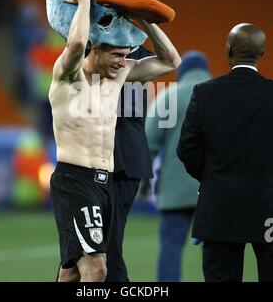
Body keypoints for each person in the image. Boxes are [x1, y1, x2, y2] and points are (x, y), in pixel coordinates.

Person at [49, 0, 181, 282]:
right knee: (97, 269)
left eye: (126, 55)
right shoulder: (67, 77)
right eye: (117, 54)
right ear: (96, 48)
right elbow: (77, 40)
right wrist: (84, 1)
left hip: (105, 182)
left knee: (71, 270)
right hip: (75, 181)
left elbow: (171, 61)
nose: (124, 62)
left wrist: (143, 16)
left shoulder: (119, 75)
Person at [177, 23, 273, 282]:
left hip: (220, 209)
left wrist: (211, 177)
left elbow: (187, 148)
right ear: (262, 53)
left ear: (228, 50)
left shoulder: (205, 93)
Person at [144, 51, 211, 281]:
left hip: (174, 191)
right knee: (218, 253)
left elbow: (148, 146)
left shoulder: (168, 98)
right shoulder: (221, 97)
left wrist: (143, 185)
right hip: (215, 191)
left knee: (171, 247)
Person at [105, 45, 154, 282]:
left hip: (116, 153)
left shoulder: (94, 49)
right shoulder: (143, 54)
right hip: (128, 152)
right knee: (99, 242)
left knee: (105, 244)